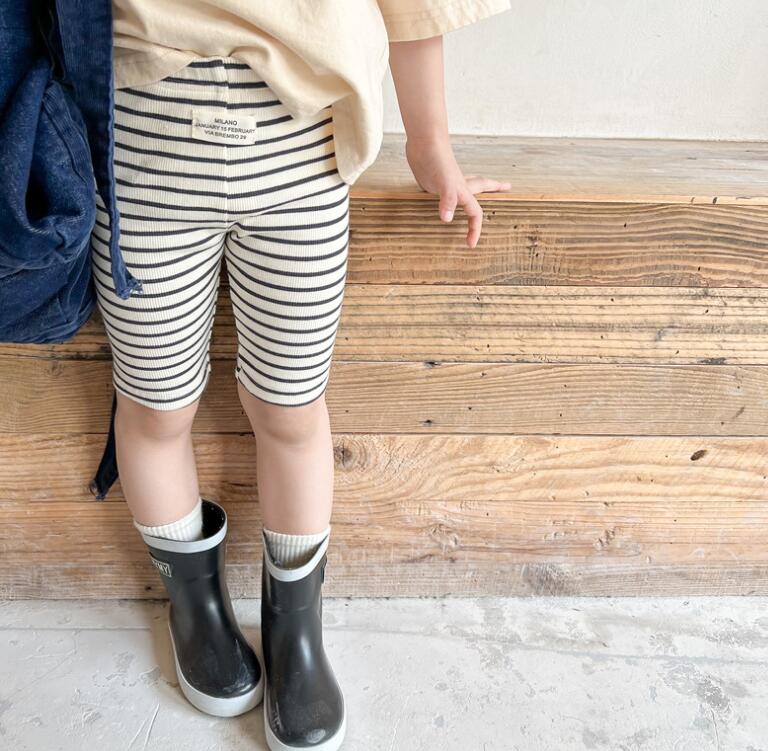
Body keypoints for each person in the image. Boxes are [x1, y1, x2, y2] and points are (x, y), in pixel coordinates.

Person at [95, 1, 512, 749]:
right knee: (156, 406)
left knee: (290, 406)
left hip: (301, 158)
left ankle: (296, 629)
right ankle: (196, 608)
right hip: (138, 155)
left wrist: (431, 145)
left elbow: (412, 6)